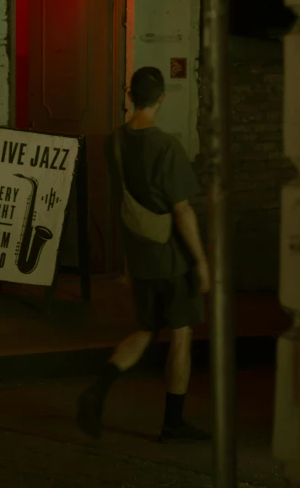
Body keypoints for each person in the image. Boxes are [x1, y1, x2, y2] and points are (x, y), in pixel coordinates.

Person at [77, 67, 211, 444]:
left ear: (130, 94)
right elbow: (182, 210)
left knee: (146, 328)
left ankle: (97, 390)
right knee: (181, 335)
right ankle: (173, 422)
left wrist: (127, 264)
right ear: (162, 98)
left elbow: (123, 200)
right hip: (171, 255)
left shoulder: (115, 141)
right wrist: (201, 261)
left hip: (140, 252)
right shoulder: (166, 145)